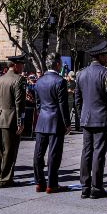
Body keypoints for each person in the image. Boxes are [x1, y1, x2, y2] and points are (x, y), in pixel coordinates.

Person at [75, 40, 107, 199]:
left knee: (86, 152)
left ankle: (85, 187)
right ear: (100, 57)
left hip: (86, 118)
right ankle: (96, 187)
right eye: (105, 55)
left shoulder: (81, 73)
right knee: (99, 153)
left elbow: (77, 99)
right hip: (102, 118)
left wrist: (80, 116)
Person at [33, 53, 71, 193]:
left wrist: (41, 114)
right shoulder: (60, 81)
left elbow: (38, 103)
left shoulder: (39, 81)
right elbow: (63, 105)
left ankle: (39, 182)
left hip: (42, 119)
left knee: (38, 153)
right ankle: (52, 184)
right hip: (55, 121)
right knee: (54, 154)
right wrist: (67, 123)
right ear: (58, 64)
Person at [0, 54, 26, 188]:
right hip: (10, 119)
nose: (22, 67)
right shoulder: (19, 80)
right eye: (21, 64)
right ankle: (5, 179)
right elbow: (19, 103)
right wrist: (20, 122)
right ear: (15, 65)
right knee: (9, 151)